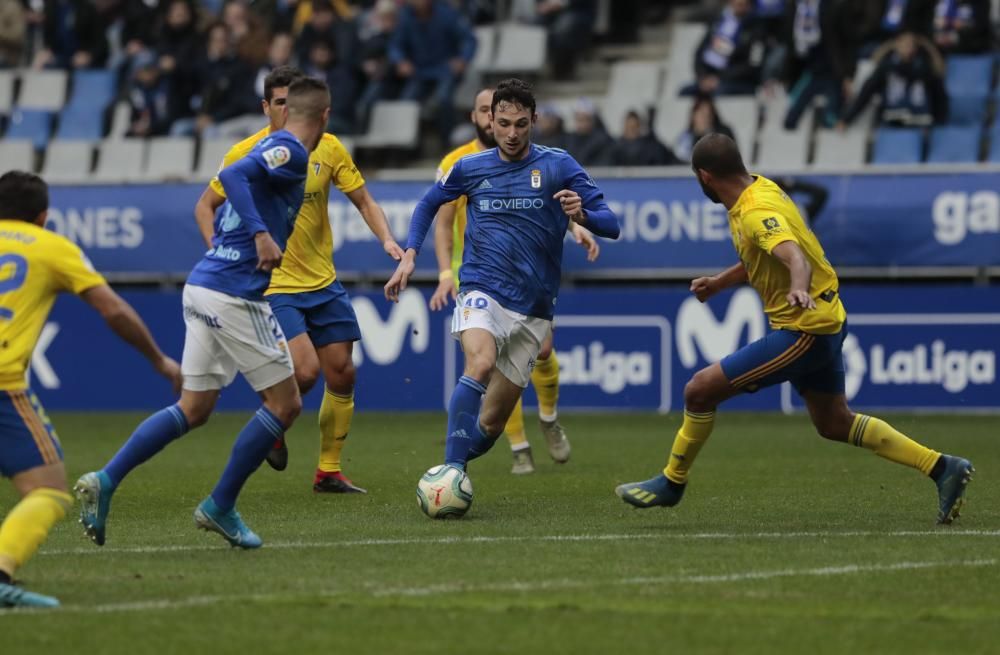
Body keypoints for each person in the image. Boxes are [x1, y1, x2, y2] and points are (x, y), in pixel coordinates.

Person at [616, 134, 974, 525]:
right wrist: (719, 282)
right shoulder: (760, 186)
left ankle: (672, 481)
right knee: (834, 422)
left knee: (698, 391)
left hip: (804, 328)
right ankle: (943, 467)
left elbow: (793, 257)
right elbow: (764, 254)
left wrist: (798, 287)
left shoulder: (754, 212)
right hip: (825, 317)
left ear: (704, 176)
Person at [75, 78, 331, 550]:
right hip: (234, 293)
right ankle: (220, 506)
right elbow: (233, 176)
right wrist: (259, 233)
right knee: (287, 403)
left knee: (193, 408)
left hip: (204, 285)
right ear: (325, 116)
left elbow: (237, 179)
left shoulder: (274, 146)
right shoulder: (292, 151)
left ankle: (104, 480)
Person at [386, 78, 620, 487]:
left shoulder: (559, 165)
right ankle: (451, 473)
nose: (512, 134)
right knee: (479, 362)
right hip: (482, 289)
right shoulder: (469, 167)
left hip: (533, 307)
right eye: (504, 123)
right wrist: (410, 254)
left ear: (534, 122)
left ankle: (461, 460)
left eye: (521, 124)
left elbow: (611, 224)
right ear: (490, 121)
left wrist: (582, 216)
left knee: (491, 426)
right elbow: (429, 204)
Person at [193, 66, 403, 493]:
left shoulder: (329, 149)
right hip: (274, 283)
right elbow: (205, 205)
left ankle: (328, 471)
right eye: (281, 102)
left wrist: (387, 240)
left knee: (342, 372)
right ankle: (274, 421)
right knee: (304, 372)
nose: (289, 109)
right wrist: (222, 251)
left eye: (295, 101)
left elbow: (363, 199)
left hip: (322, 280)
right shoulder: (246, 152)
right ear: (266, 107)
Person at [0, 171, 181, 608]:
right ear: (43, 216)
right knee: (46, 488)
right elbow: (113, 310)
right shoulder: (51, 248)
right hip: (3, 385)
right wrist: (159, 360)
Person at [428, 87, 600, 475]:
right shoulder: (458, 162)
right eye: (490, 113)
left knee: (540, 353)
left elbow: (539, 202)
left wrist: (577, 225)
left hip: (528, 280)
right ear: (480, 118)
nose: (504, 124)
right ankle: (513, 447)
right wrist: (443, 272)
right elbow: (440, 218)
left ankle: (548, 417)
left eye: (514, 119)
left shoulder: (541, 162)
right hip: (476, 275)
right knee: (484, 362)